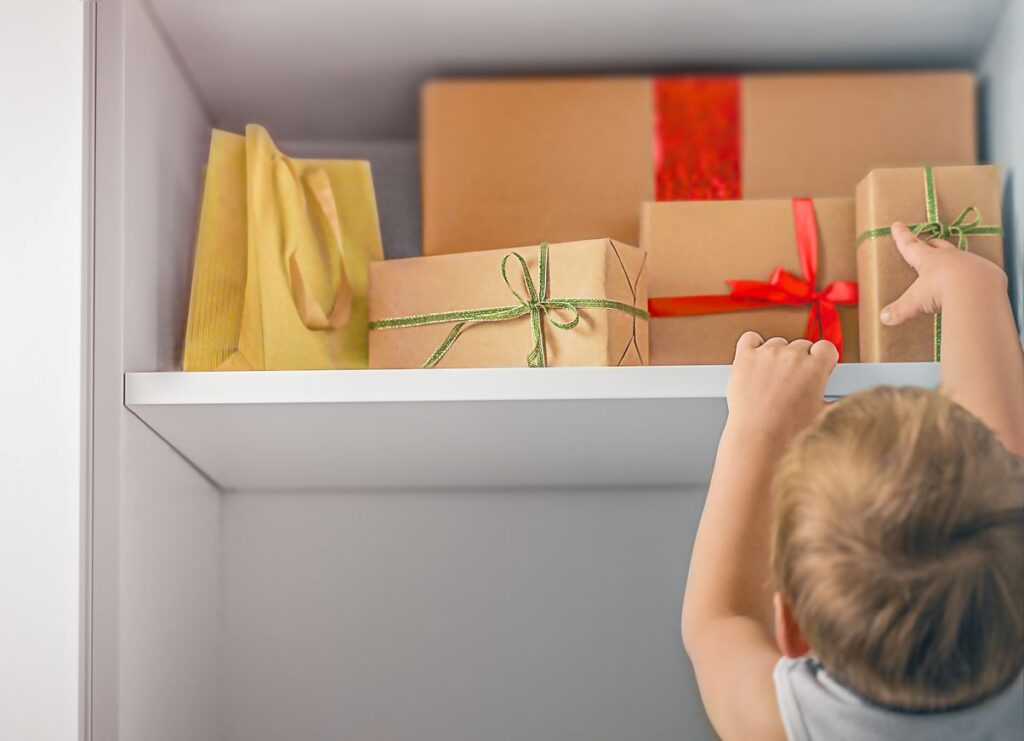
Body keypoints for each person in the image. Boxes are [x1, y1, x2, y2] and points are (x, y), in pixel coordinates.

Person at [681, 221, 1024, 740]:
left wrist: (760, 426)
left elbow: (716, 621)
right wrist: (970, 287)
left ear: (792, 630)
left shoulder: (788, 723)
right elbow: (1004, 467)